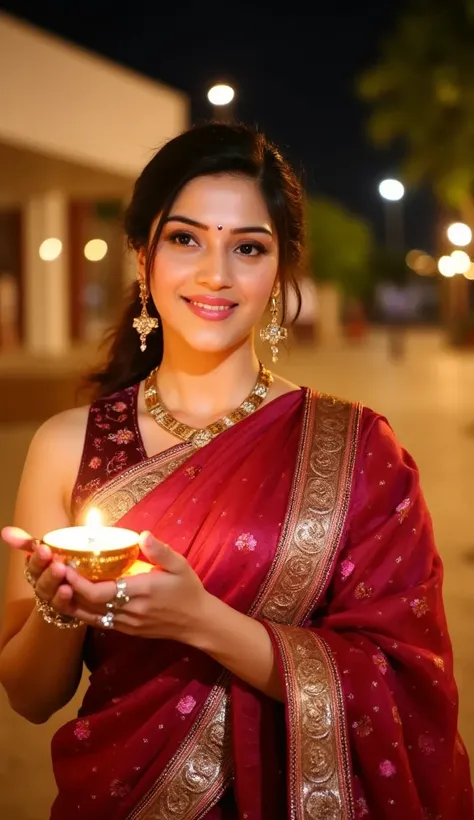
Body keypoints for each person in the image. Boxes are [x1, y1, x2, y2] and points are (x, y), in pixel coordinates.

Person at [0, 123, 472, 820]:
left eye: (247, 247)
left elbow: (405, 684)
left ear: (280, 273)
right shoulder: (69, 444)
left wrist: (198, 620)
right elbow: (31, 697)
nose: (215, 272)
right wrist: (59, 606)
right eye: (185, 238)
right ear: (141, 255)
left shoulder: (357, 448)